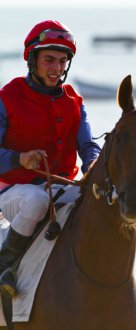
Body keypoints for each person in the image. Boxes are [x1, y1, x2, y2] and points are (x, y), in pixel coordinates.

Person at [0, 20, 101, 298]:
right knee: (37, 201)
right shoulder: (7, 97)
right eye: (49, 60)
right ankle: (4, 264)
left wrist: (94, 164)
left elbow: (88, 145)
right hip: (12, 193)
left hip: (60, 189)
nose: (57, 68)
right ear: (33, 60)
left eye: (62, 61)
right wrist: (20, 159)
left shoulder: (75, 102)